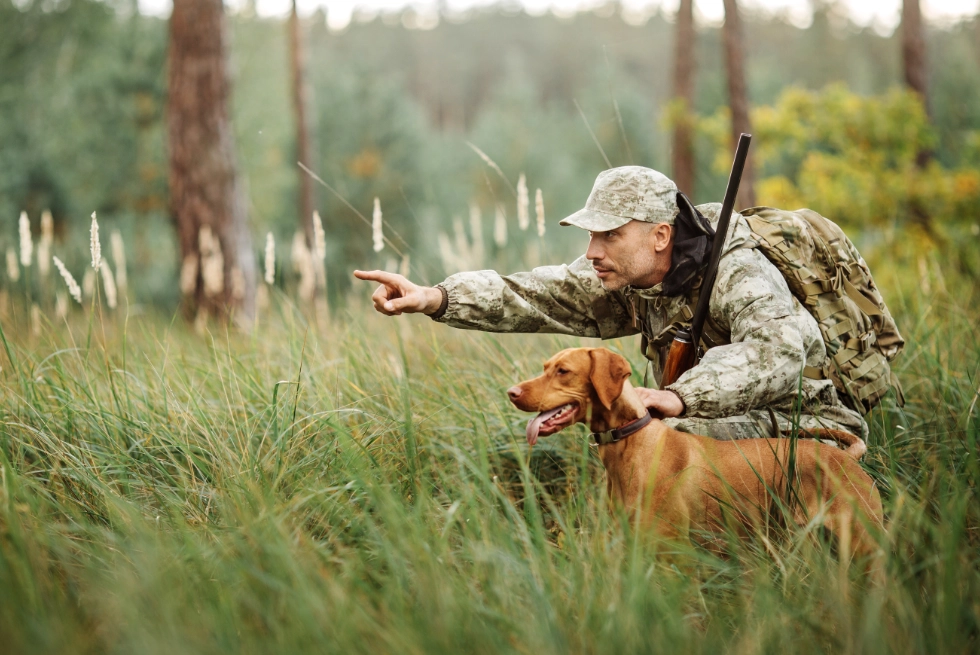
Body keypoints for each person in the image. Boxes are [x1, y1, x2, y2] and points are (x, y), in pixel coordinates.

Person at [354, 166, 867, 441]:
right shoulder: (625, 274)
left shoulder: (736, 270)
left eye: (611, 236)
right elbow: (532, 294)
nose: (592, 252)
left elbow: (780, 350)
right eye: (592, 235)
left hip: (806, 420)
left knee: (666, 432)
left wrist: (680, 397)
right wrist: (434, 296)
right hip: (714, 419)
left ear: (661, 235)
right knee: (644, 432)